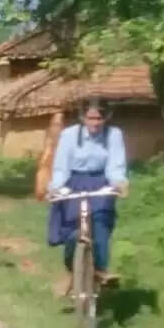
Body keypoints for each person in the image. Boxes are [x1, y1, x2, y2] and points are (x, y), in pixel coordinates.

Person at [47, 98, 129, 287]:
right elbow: (61, 166)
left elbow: (115, 165)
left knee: (100, 223)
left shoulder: (113, 135)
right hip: (73, 182)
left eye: (99, 118)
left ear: (106, 118)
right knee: (72, 231)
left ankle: (101, 269)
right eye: (91, 118)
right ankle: (71, 269)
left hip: (101, 183)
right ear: (83, 117)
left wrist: (119, 183)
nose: (95, 123)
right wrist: (55, 187)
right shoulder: (69, 135)